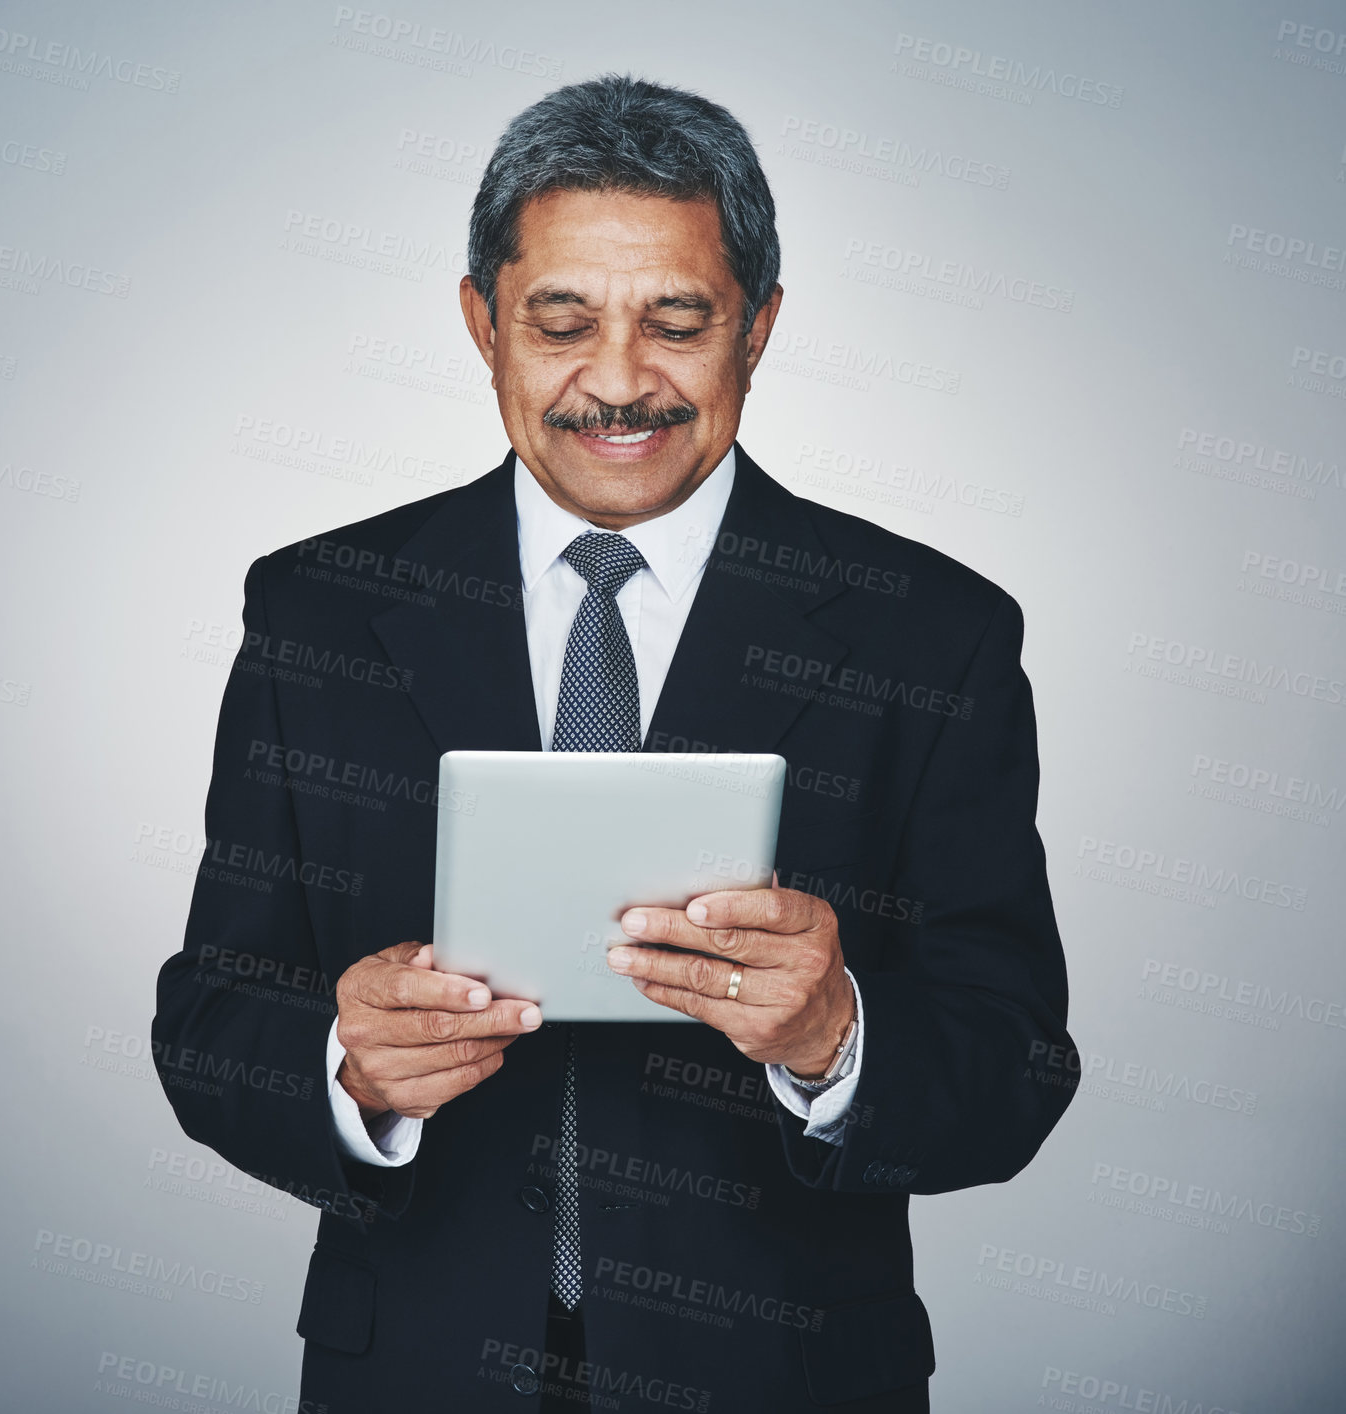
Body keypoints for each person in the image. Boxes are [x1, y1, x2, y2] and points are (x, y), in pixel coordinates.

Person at [153, 74, 1077, 1414]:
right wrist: (345, 1070)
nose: (619, 381)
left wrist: (836, 1033)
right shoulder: (321, 608)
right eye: (562, 321)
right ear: (483, 324)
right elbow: (212, 1011)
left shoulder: (929, 634)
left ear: (757, 328)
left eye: (678, 321)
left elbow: (1016, 1063)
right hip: (410, 1370)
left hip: (784, 1375)